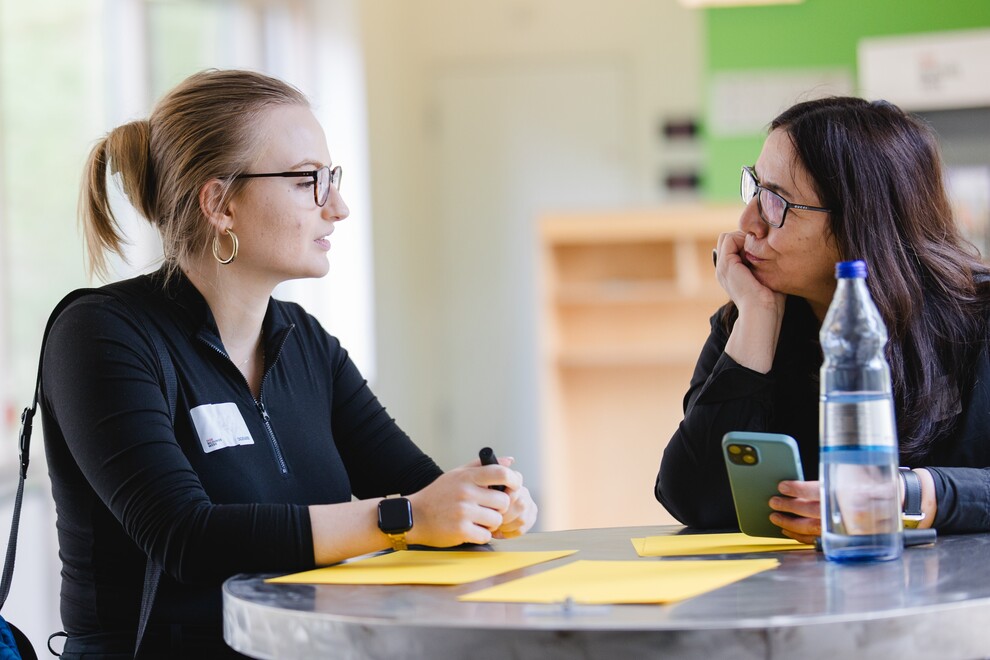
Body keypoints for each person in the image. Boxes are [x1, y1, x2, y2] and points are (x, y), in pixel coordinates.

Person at [41, 69, 537, 658]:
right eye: (309, 182)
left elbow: (419, 492)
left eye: (333, 179)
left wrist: (480, 504)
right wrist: (406, 517)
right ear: (218, 203)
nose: (340, 208)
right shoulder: (101, 334)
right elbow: (185, 539)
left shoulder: (305, 342)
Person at [655, 96, 990, 544]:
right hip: (803, 598)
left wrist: (907, 497)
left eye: (776, 201)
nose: (747, 221)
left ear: (861, 220)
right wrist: (759, 314)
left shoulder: (978, 316)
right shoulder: (750, 319)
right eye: (755, 188)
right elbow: (693, 499)